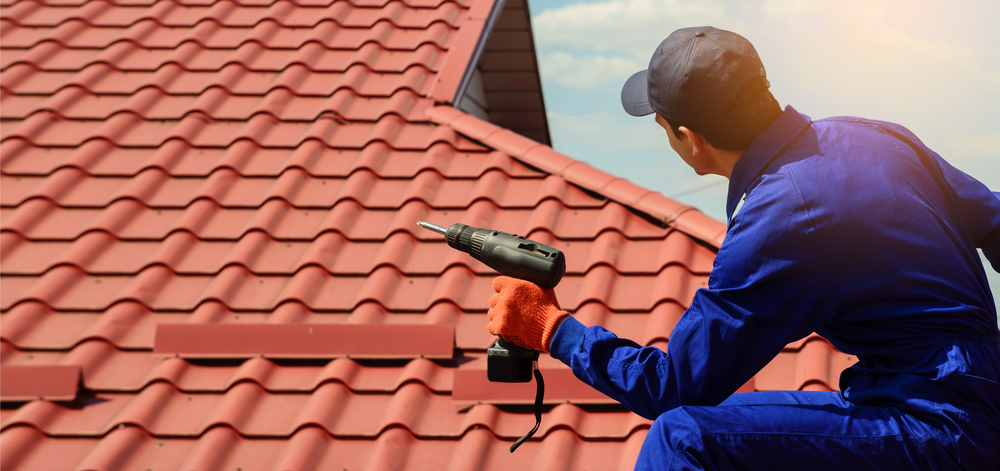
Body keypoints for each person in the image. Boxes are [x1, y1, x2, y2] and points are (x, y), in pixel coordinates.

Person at [485, 26, 1000, 470]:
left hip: (938, 426)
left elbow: (676, 388)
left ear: (691, 139)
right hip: (959, 397)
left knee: (682, 439)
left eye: (663, 127)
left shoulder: (780, 216)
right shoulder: (874, 135)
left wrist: (554, 330)